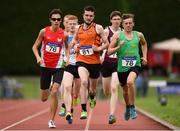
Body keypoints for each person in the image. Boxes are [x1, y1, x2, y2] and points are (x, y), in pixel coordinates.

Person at [32, 9, 69, 128]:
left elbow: (67, 48)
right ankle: (48, 87)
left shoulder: (64, 34)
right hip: (45, 67)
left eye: (58, 19)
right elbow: (34, 47)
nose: (56, 21)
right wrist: (38, 57)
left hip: (59, 67)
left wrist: (67, 58)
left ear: (61, 21)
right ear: (50, 20)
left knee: (55, 90)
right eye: (54, 19)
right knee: (44, 98)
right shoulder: (43, 32)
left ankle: (51, 120)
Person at [108, 13, 148, 121]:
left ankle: (133, 108)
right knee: (125, 92)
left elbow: (144, 44)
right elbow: (108, 51)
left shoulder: (139, 35)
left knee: (130, 82)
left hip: (135, 65)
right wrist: (118, 47)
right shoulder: (117, 35)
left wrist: (144, 57)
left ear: (133, 24)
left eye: (130, 23)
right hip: (121, 68)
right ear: (123, 24)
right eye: (126, 23)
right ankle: (128, 107)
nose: (128, 25)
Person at [72, 5, 109, 119]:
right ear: (83, 15)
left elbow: (107, 43)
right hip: (81, 60)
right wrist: (73, 45)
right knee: (83, 82)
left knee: (92, 89)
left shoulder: (98, 28)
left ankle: (92, 97)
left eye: (91, 16)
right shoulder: (78, 28)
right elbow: (74, 40)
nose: (88, 17)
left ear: (93, 17)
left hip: (94, 62)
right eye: (86, 15)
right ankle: (84, 110)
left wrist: (98, 49)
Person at [101, 11, 122, 124]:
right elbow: (100, 44)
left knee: (114, 87)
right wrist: (100, 55)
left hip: (117, 63)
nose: (117, 21)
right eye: (114, 19)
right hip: (106, 63)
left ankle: (112, 115)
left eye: (118, 19)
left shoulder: (123, 32)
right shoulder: (105, 31)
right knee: (106, 91)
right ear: (111, 20)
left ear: (121, 21)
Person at [62, 15, 81, 124]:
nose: (72, 26)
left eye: (74, 24)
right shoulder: (64, 36)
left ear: (77, 24)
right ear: (67, 25)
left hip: (79, 65)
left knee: (75, 93)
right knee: (67, 87)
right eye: (70, 24)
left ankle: (74, 100)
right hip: (68, 65)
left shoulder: (81, 35)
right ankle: (68, 111)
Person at [58, 14, 71, 117]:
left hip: (75, 62)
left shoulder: (75, 33)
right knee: (64, 86)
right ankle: (64, 105)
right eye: (66, 22)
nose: (67, 24)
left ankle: (73, 99)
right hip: (63, 61)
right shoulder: (60, 33)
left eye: (69, 22)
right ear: (63, 23)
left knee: (74, 90)